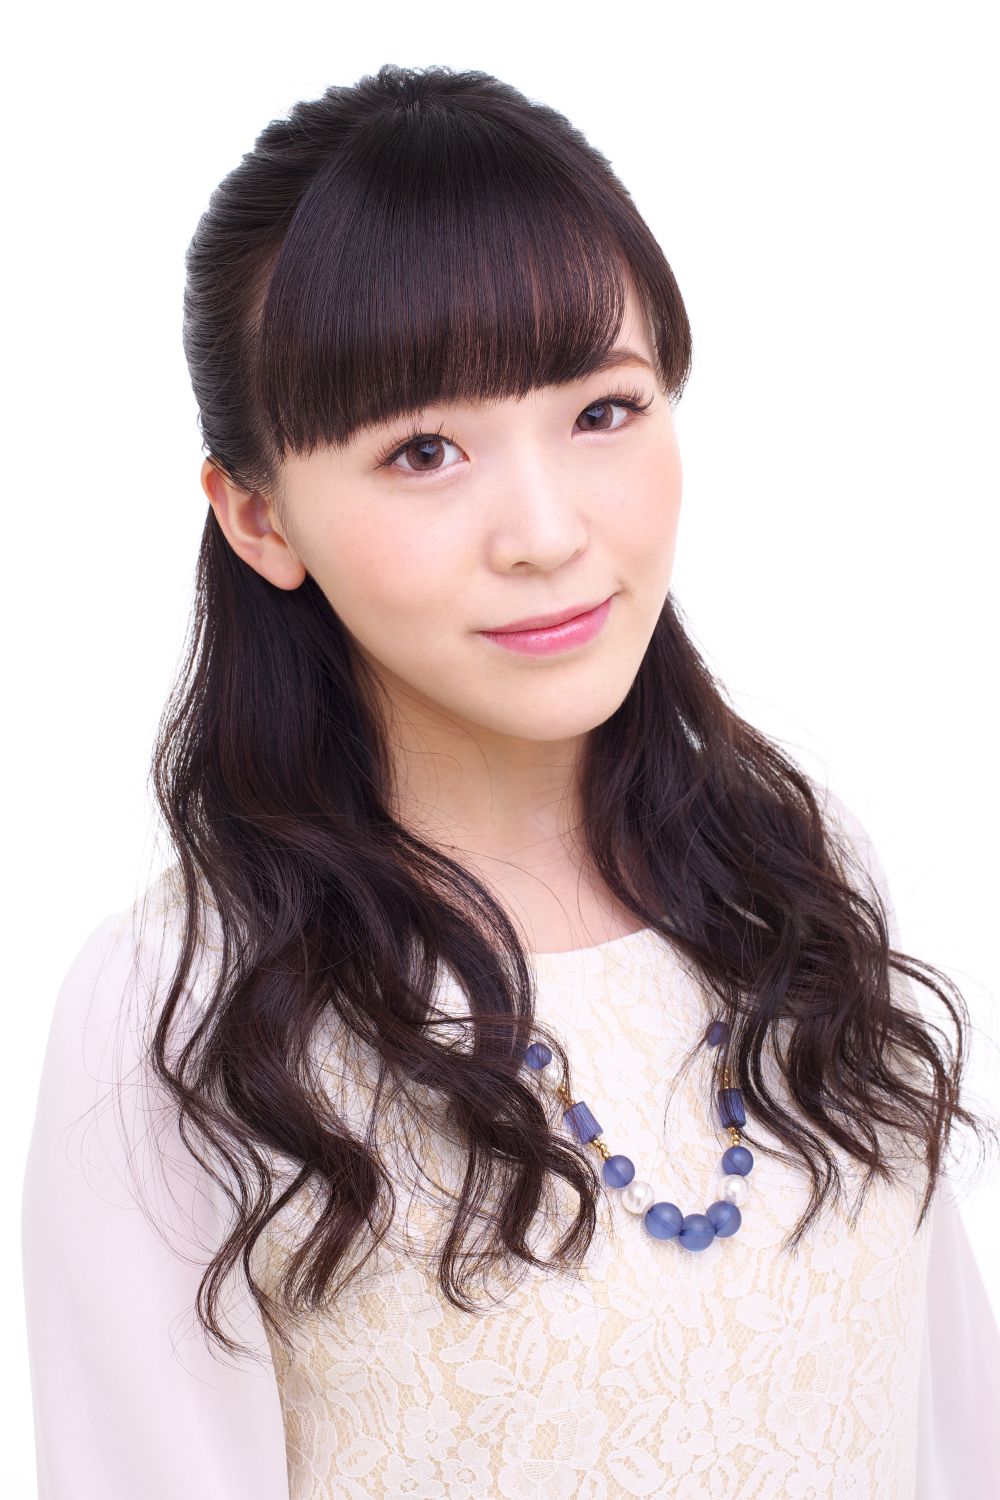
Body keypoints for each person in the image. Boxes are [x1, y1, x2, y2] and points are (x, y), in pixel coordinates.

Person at [21, 62, 1000, 1499]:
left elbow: (955, 1437)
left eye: (602, 412)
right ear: (259, 515)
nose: (544, 531)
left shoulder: (793, 868)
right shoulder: (183, 1005)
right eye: (424, 450)